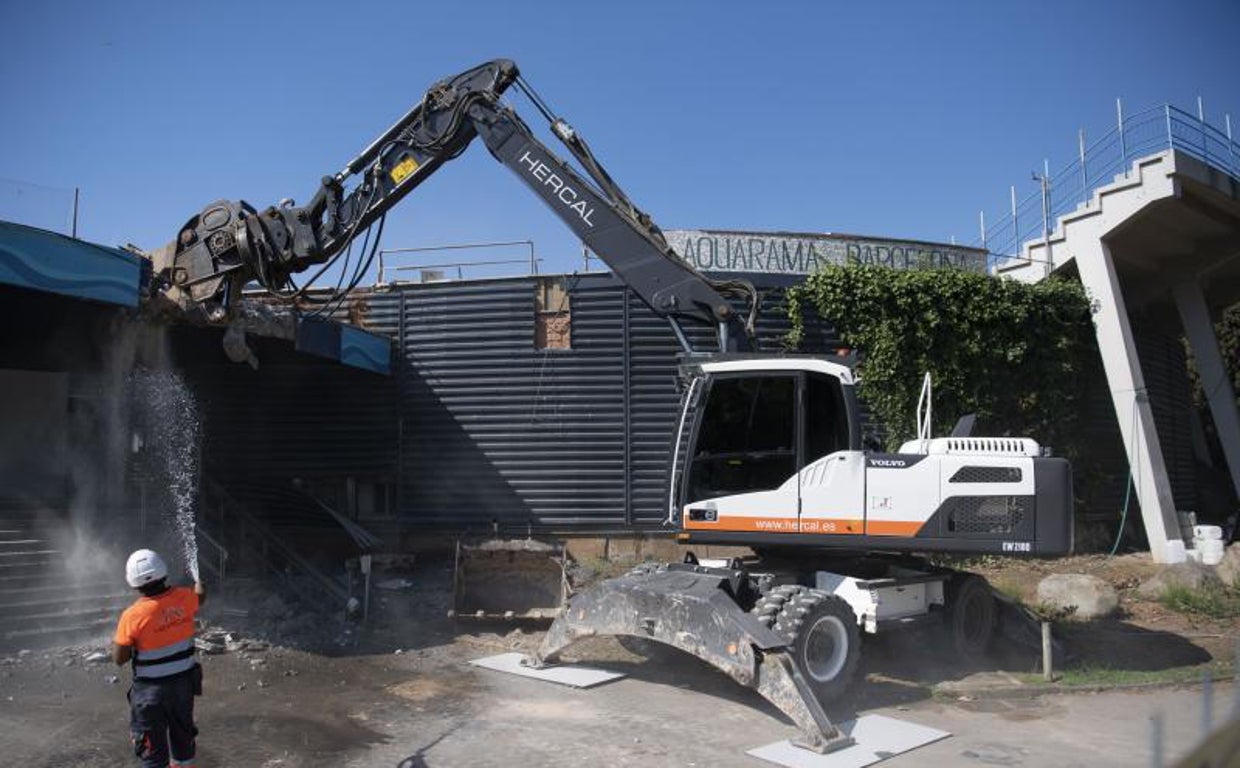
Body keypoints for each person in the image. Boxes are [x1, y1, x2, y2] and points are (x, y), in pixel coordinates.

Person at [112, 549, 206, 768]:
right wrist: (200, 582)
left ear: (133, 583)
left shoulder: (132, 615)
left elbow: (119, 658)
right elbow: (201, 596)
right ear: (163, 573)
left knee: (151, 749)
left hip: (150, 692)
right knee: (183, 739)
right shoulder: (185, 598)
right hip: (183, 686)